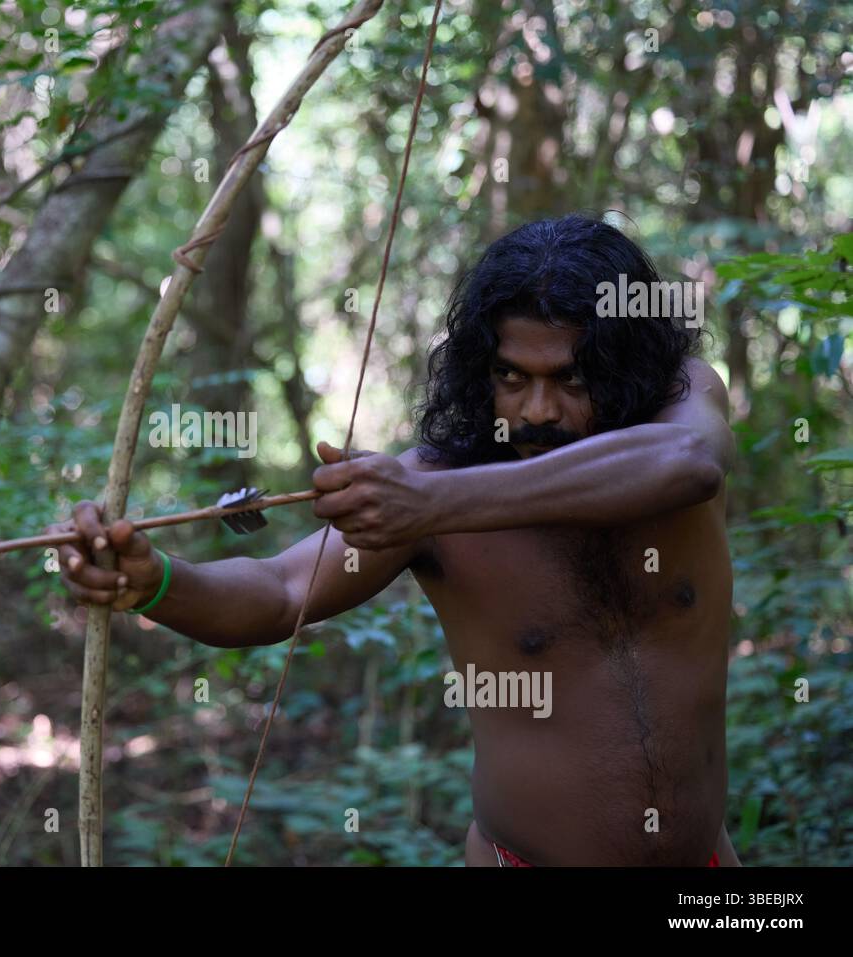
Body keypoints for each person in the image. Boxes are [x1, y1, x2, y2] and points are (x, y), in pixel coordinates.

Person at [49, 214, 740, 866]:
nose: (537, 409)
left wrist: (433, 503)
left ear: (624, 368)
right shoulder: (431, 486)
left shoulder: (680, 402)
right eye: (510, 377)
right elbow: (278, 588)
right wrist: (155, 581)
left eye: (571, 379)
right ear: (480, 371)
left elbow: (688, 462)